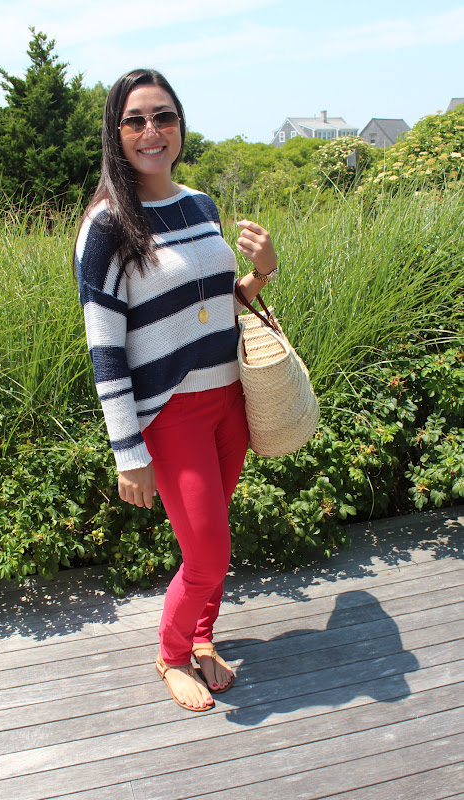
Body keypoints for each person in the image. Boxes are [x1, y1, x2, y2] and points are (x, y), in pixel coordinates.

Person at [75, 68, 278, 712]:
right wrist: (127, 451)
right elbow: (105, 348)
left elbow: (213, 305)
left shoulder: (200, 204)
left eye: (163, 116)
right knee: (209, 555)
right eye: (134, 120)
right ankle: (170, 653)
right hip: (171, 415)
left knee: (211, 542)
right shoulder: (107, 226)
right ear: (116, 133)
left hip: (229, 400)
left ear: (180, 125)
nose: (151, 131)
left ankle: (201, 636)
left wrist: (261, 274)